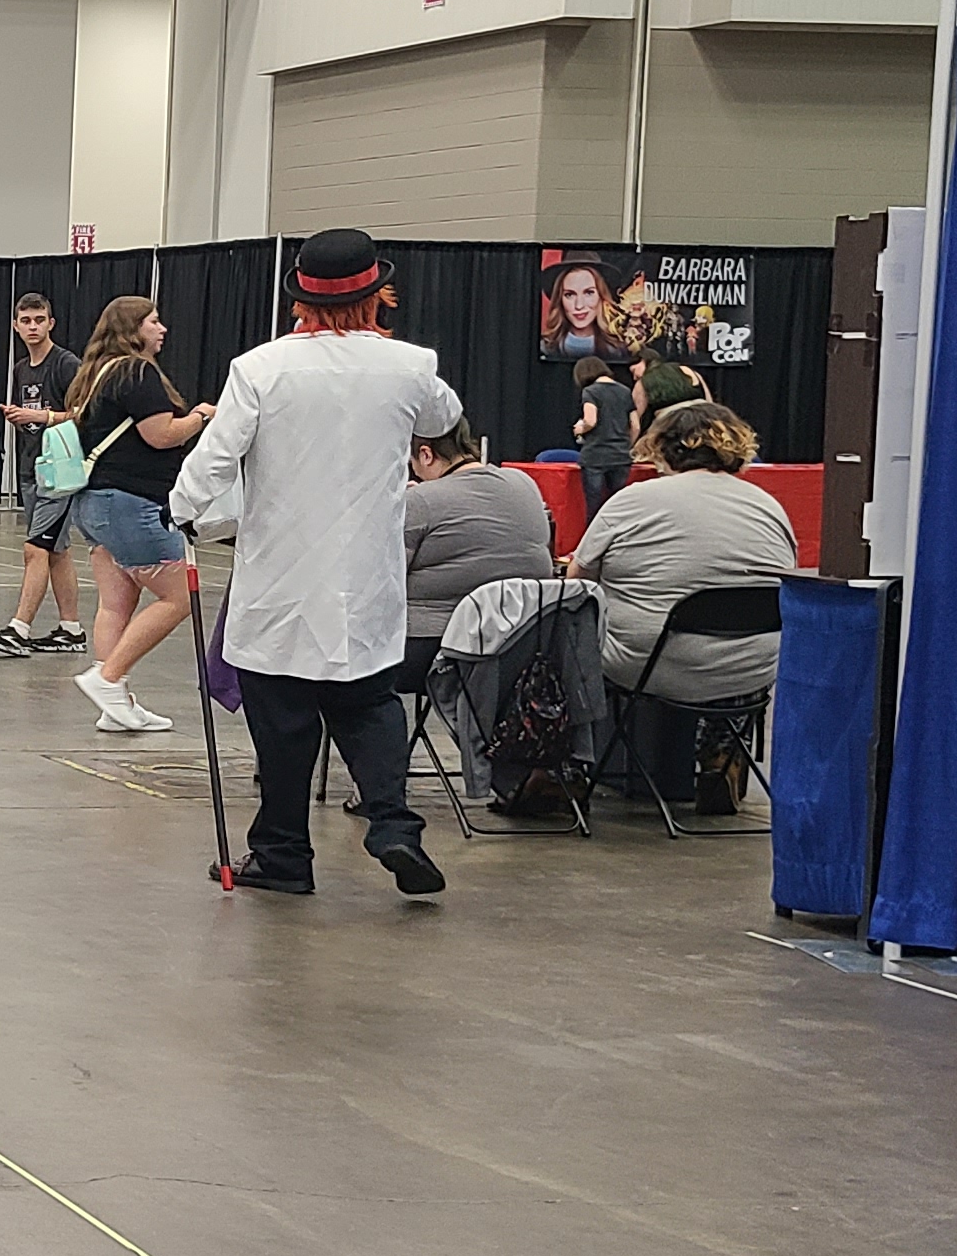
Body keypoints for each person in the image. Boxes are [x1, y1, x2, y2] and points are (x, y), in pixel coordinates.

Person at [169, 229, 462, 897]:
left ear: (300, 297)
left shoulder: (262, 367)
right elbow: (445, 416)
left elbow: (215, 457)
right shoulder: (409, 364)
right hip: (365, 579)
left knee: (284, 726)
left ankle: (284, 855)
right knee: (370, 707)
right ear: (375, 294)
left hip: (282, 580)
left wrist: (183, 507)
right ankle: (394, 825)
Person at [574, 399, 797, 791]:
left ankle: (563, 770)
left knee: (563, 628)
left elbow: (579, 576)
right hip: (753, 667)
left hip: (649, 666)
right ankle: (721, 757)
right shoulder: (769, 506)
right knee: (723, 645)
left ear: (662, 447)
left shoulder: (631, 500)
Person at [58, 294, 212, 734]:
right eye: (153, 322)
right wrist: (201, 417)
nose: (162, 329)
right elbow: (161, 435)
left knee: (115, 603)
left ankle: (115, 702)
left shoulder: (94, 375)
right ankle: (107, 679)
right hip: (131, 503)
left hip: (95, 503)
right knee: (179, 595)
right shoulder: (137, 372)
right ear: (132, 330)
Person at [402, 422, 558, 685]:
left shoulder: (420, 502)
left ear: (426, 455)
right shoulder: (524, 482)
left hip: (435, 647)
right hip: (521, 641)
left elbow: (384, 582)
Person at [0, 289, 87, 657]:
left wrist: (42, 416)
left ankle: (19, 627)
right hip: (32, 467)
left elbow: (83, 412)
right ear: (15, 326)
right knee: (57, 551)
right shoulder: (21, 368)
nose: (32, 327)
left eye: (39, 320)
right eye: (25, 321)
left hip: (59, 471)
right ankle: (71, 628)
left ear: (51, 323)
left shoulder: (65, 364)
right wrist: (19, 418)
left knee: (36, 548)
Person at [572, 356, 636, 520]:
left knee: (594, 507)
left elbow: (591, 421)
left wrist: (580, 429)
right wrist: (627, 446)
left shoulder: (591, 391)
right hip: (621, 456)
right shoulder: (625, 391)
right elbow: (635, 425)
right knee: (618, 506)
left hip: (595, 456)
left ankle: (594, 542)